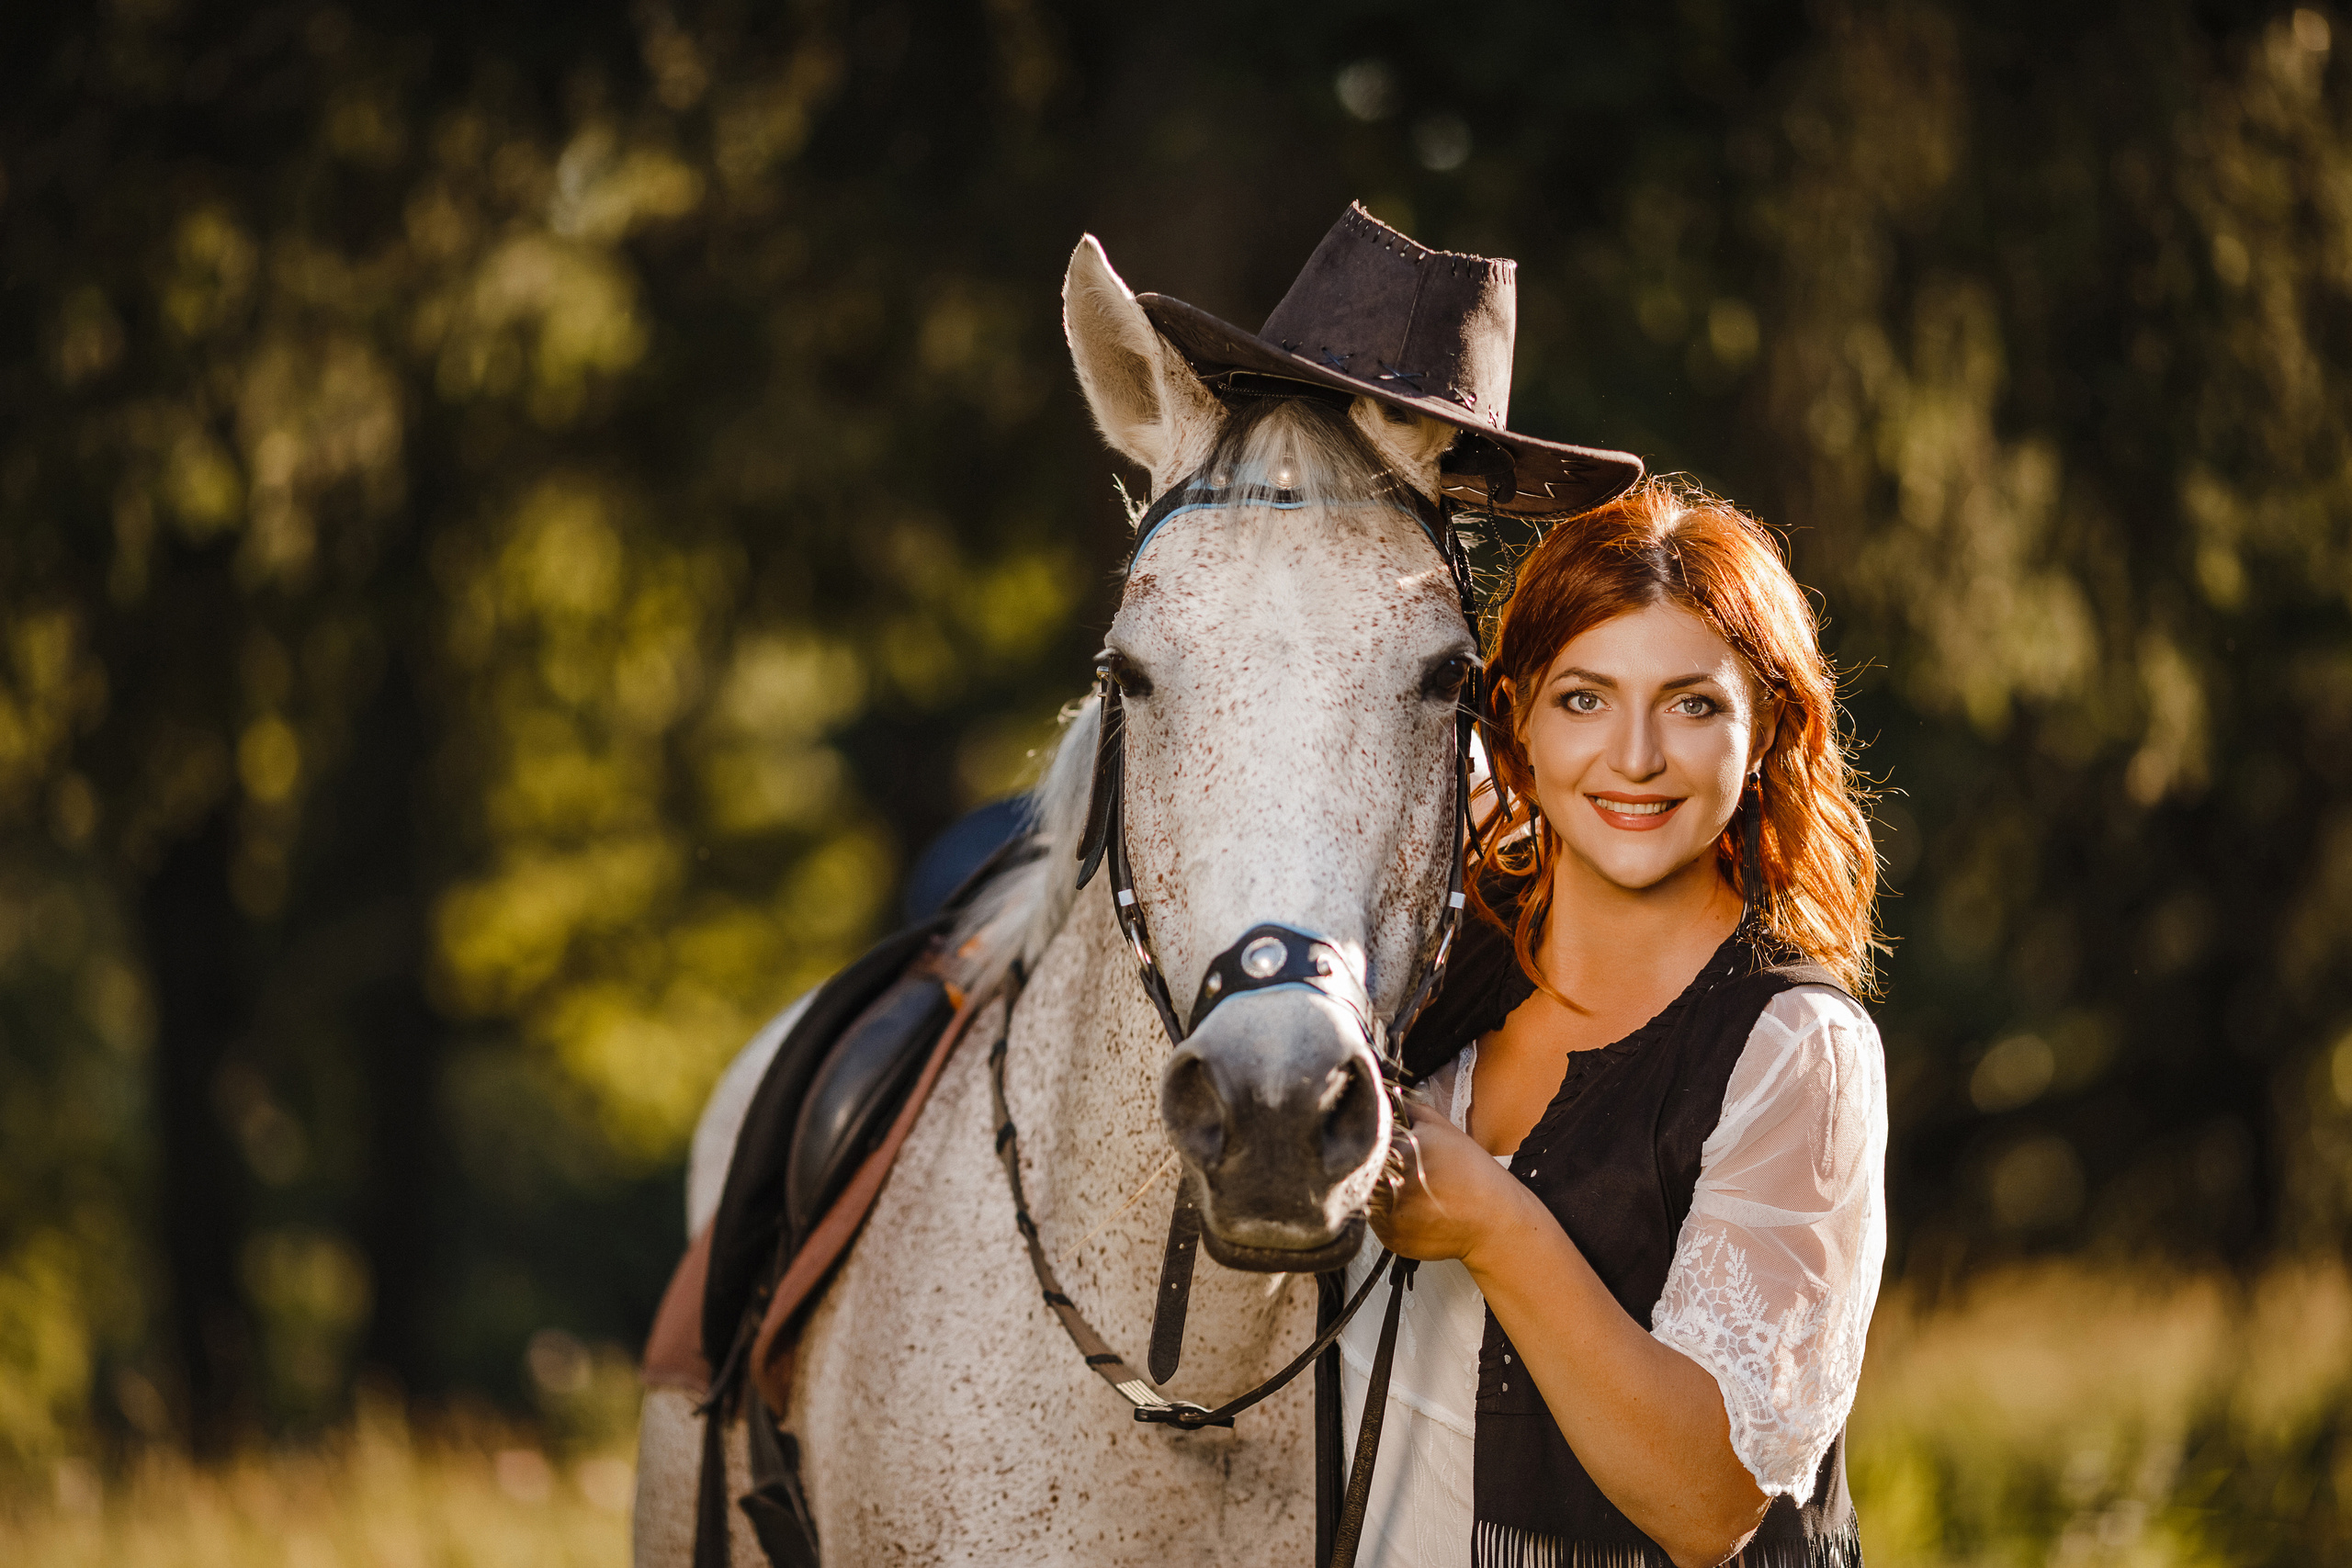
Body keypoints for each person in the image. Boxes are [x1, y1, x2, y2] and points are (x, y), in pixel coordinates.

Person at [1345, 478, 1887, 1568]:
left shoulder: (1792, 1051)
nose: (1634, 757)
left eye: (1693, 704)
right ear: (1516, 721)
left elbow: (1703, 1506)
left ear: (1767, 725)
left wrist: (1493, 1223)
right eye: (1584, 699)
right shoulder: (1418, 986)